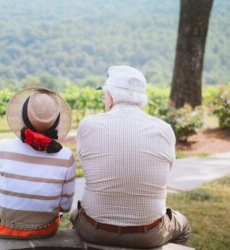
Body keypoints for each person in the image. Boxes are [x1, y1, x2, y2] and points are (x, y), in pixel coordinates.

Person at [70, 65, 191, 248]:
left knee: (74, 214)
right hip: (149, 234)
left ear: (110, 97)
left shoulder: (88, 125)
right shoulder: (164, 129)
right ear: (141, 99)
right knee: (183, 225)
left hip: (94, 230)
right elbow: (166, 171)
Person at [0, 88, 76, 239]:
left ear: (22, 117)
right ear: (56, 122)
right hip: (45, 231)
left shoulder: (3, 147)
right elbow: (65, 207)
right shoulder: (65, 156)